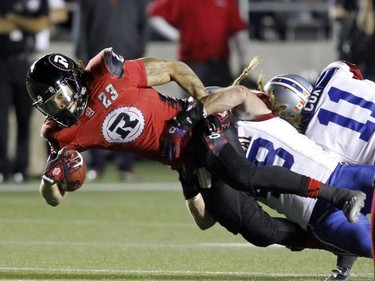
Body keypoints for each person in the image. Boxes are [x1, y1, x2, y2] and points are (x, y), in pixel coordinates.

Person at [25, 49, 365, 252]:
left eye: (61, 94)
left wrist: (201, 108)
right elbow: (55, 196)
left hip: (196, 123)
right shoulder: (61, 132)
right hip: (182, 158)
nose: (59, 106)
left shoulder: (108, 73)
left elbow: (175, 69)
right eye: (50, 103)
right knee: (253, 228)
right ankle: (331, 245)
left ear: (73, 79)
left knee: (241, 174)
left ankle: (339, 195)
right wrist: (50, 178)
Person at [186, 78, 373, 280]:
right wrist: (189, 181)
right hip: (316, 215)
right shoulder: (203, 160)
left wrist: (206, 108)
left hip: (340, 176)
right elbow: (205, 220)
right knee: (367, 243)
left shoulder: (251, 115)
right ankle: (344, 252)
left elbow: (241, 93)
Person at [268, 63, 375, 280]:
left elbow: (345, 192)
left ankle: (345, 261)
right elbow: (354, 70)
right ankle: (344, 265)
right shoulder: (334, 72)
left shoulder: (312, 141)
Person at [74, 0, 149, 181]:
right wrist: (83, 57)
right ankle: (96, 165)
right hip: (98, 63)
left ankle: (126, 166)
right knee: (95, 113)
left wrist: (139, 58)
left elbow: (143, 26)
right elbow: (81, 27)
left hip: (127, 62)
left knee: (129, 113)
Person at [147, 0, 256, 91]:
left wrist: (244, 62)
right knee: (195, 107)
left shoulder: (227, 1)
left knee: (226, 109)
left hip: (221, 64)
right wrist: (175, 36)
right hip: (193, 63)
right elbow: (154, 14)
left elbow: (238, 30)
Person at [0, 0, 49, 183]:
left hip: (25, 65)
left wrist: (12, 18)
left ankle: (21, 169)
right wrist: (27, 23)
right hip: (2, 64)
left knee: (24, 119)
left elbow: (41, 24)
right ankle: (2, 169)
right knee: (1, 120)